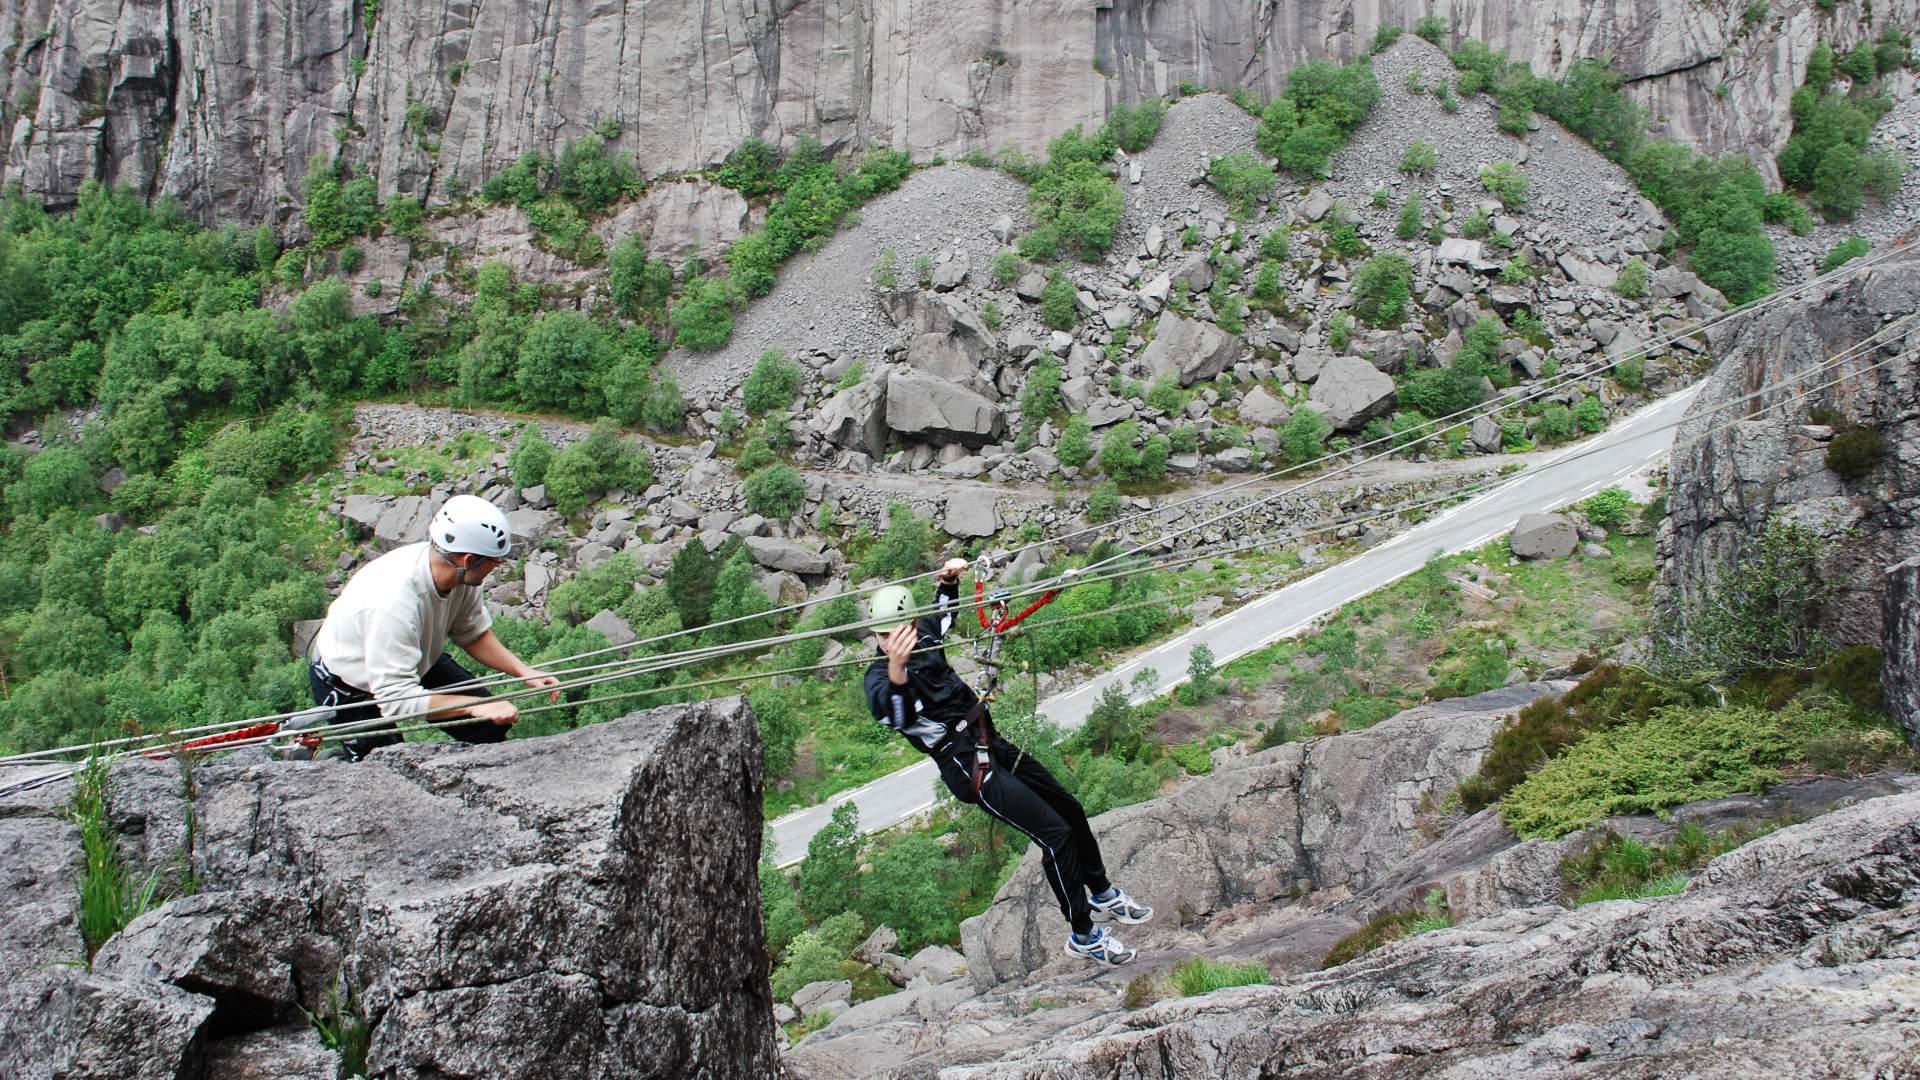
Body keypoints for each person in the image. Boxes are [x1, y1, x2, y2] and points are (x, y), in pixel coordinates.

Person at [863, 558, 1151, 967]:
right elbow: (896, 718)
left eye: (899, 630)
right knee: (1054, 835)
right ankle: (1084, 935)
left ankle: (1102, 893)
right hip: (967, 766)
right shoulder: (877, 678)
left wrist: (947, 582)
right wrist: (896, 670)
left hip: (986, 739)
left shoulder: (924, 637)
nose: (894, 639)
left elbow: (943, 616)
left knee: (1069, 806)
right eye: (885, 635)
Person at [303, 494, 559, 761]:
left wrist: (522, 671)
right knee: (383, 765)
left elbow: (471, 632)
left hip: (412, 655)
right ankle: (324, 761)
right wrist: (473, 706)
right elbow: (398, 701)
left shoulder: (461, 579)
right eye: (493, 561)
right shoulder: (392, 603)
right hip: (350, 679)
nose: (497, 567)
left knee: (491, 723)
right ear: (469, 560)